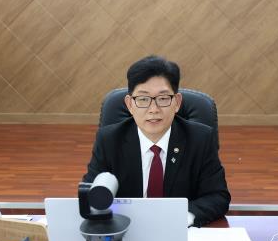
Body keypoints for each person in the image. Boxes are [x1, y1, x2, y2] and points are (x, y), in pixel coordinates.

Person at [83, 55, 230, 227]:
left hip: (180, 234)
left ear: (177, 103)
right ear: (130, 104)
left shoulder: (200, 139)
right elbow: (91, 193)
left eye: (163, 98)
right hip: (127, 233)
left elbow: (218, 197)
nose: (154, 109)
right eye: (143, 99)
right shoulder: (109, 140)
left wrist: (185, 217)